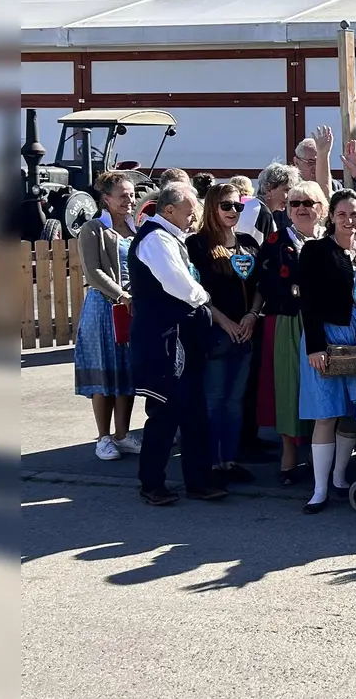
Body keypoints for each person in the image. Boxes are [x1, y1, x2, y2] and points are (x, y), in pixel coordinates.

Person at [131, 182, 226, 505]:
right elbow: (178, 283)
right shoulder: (156, 238)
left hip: (182, 336)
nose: (192, 218)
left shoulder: (171, 237)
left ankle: (198, 480)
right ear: (169, 210)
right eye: (189, 212)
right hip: (164, 339)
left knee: (194, 412)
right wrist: (203, 298)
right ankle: (151, 483)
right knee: (165, 410)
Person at [297, 189, 356, 514]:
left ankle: (341, 478)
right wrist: (316, 346)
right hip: (327, 338)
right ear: (331, 216)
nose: (349, 220)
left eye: (355, 214)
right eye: (343, 214)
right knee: (326, 413)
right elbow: (309, 301)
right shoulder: (316, 250)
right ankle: (319, 490)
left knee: (351, 414)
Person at [186, 183, 263, 486]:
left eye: (237, 206)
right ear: (213, 208)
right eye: (227, 206)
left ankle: (230, 460)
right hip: (215, 333)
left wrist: (252, 315)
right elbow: (199, 292)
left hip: (245, 332)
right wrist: (225, 322)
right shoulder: (198, 244)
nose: (233, 211)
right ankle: (212, 464)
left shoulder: (247, 242)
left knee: (235, 401)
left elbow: (260, 287)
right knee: (214, 399)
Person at [256, 180, 323, 485]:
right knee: (288, 386)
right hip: (288, 319)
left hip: (324, 321)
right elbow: (266, 282)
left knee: (321, 387)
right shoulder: (275, 240)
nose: (301, 209)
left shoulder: (331, 239)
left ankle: (318, 453)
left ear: (321, 208)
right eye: (294, 203)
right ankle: (289, 456)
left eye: (308, 203)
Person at [74, 171, 141, 461]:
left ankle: (123, 434)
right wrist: (122, 295)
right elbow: (93, 272)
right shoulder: (93, 229)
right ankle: (103, 437)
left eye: (132, 194)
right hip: (104, 308)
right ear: (107, 199)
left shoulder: (135, 228)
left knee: (127, 372)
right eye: (123, 195)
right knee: (104, 374)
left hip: (133, 308)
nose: (130, 200)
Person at [238, 162, 298, 244]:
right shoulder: (261, 213)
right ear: (268, 188)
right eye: (286, 190)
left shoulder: (252, 206)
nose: (290, 197)